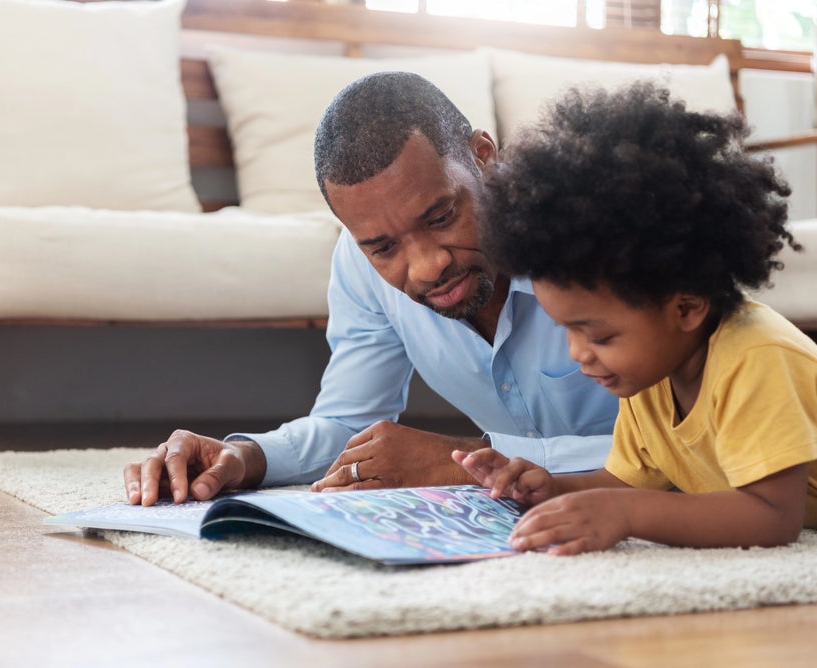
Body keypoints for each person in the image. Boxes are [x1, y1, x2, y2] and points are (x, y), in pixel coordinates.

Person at [124, 72, 619, 506]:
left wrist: (466, 460)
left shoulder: (603, 240)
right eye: (383, 247)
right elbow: (347, 426)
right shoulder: (359, 261)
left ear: (483, 157)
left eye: (442, 217)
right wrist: (246, 457)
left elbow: (685, 446)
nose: (427, 267)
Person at [454, 80, 817, 556]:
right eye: (566, 329)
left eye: (598, 334)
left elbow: (774, 515)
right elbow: (622, 481)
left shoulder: (756, 356)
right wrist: (552, 488)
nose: (577, 353)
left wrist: (622, 514)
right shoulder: (649, 375)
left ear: (686, 307)